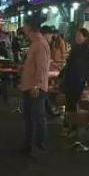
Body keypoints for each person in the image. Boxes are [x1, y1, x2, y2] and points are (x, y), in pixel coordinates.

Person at [20, 19, 50, 157]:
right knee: (30, 118)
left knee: (37, 117)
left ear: (29, 28)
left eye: (24, 26)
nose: (23, 28)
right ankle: (29, 145)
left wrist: (37, 85)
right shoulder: (35, 43)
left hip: (35, 87)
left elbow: (42, 68)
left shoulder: (39, 44)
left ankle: (38, 145)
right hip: (30, 86)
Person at [62, 28, 89, 116]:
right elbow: (68, 64)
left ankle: (74, 121)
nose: (77, 37)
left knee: (75, 102)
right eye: (76, 35)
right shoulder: (75, 48)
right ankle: (68, 120)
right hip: (70, 79)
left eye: (79, 35)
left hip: (79, 80)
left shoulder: (88, 49)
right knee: (69, 101)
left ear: (85, 37)